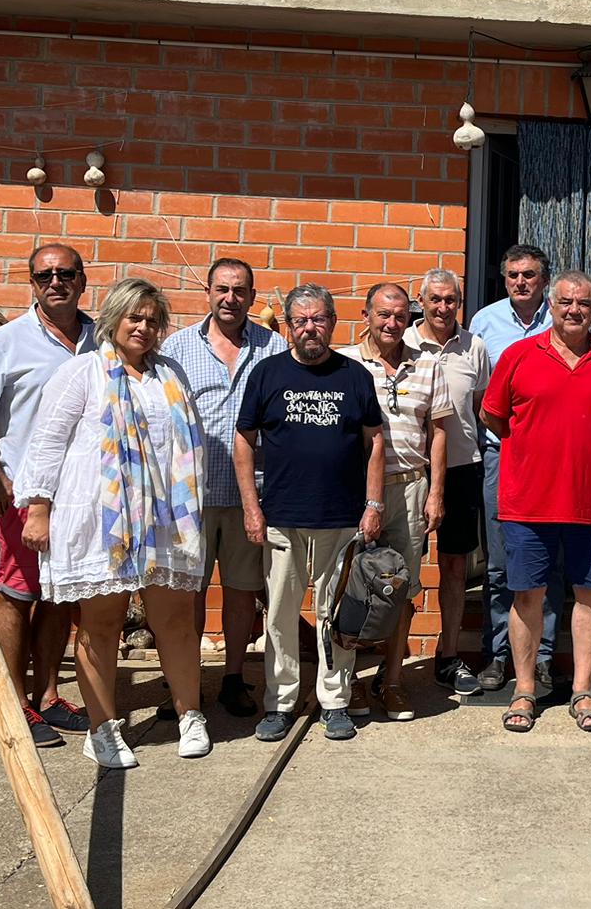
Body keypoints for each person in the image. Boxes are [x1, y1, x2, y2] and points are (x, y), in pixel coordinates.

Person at [15, 278, 210, 767]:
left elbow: (188, 446)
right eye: (134, 317)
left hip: (165, 522)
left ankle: (191, 715)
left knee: (176, 622)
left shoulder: (170, 376)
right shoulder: (83, 373)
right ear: (114, 319)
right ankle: (102, 728)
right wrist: (38, 508)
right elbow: (47, 442)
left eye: (152, 320)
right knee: (100, 626)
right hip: (103, 522)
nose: (143, 327)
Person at [0, 243, 96, 748]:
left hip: (83, 497)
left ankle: (49, 695)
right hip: (27, 497)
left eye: (65, 273)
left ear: (82, 279)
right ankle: (15, 706)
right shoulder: (5, 342)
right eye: (44, 275)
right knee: (17, 595)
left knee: (59, 596)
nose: (56, 282)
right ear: (32, 282)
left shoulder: (101, 337)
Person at [481, 270, 591, 733]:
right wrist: (538, 452)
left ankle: (583, 690)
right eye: (565, 302)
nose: (574, 310)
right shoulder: (519, 355)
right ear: (551, 303)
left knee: (590, 595)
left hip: (590, 502)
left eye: (583, 303)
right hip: (528, 502)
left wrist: (575, 450)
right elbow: (494, 416)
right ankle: (524, 690)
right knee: (526, 595)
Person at [236, 284, 384, 743]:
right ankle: (279, 703)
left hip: (341, 518)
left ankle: (334, 701)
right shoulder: (267, 374)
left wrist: (373, 504)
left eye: (318, 319)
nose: (309, 329)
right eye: (300, 321)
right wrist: (251, 508)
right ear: (287, 327)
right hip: (282, 517)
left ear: (333, 322)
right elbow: (244, 441)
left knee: (334, 615)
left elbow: (375, 440)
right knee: (279, 614)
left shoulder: (354, 376)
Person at [164, 257, 286, 718]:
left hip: (248, 494)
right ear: (209, 293)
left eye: (239, 291)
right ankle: (185, 685)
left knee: (240, 591)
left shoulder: (274, 347)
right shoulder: (177, 348)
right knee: (187, 595)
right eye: (222, 289)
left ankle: (233, 677)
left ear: (252, 298)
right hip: (190, 496)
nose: (230, 299)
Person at [341, 282, 451, 721]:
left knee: (400, 587)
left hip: (410, 487)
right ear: (366, 314)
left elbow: (438, 431)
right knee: (345, 585)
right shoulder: (345, 362)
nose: (392, 323)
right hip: (353, 489)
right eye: (383, 314)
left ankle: (392, 682)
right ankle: (345, 682)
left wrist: (436, 492)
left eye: (401, 315)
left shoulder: (428, 364)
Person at [469, 244, 555, 692]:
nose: (521, 282)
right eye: (513, 275)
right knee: (502, 562)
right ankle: (499, 653)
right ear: (504, 279)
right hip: (502, 456)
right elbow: (478, 396)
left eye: (529, 275)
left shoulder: (561, 318)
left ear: (544, 279)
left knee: (548, 563)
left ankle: (542, 657)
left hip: (553, 461)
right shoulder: (484, 322)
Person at [404, 268, 492, 696]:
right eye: (434, 299)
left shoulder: (474, 346)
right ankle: (392, 658)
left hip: (460, 468)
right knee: (400, 566)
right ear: (420, 301)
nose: (443, 308)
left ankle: (448, 654)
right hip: (407, 472)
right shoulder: (400, 342)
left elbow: (480, 408)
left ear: (460, 302)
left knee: (455, 566)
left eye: (451, 300)